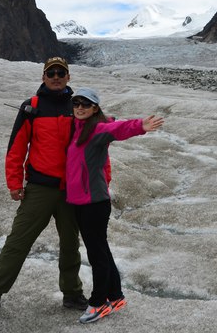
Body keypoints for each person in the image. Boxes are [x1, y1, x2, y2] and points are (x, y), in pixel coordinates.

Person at [0, 57, 87, 316]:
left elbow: (96, 143)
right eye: (51, 73)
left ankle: (72, 293)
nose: (56, 76)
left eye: (61, 72)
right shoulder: (32, 107)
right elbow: (16, 147)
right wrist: (14, 183)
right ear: (43, 77)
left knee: (70, 245)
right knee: (18, 242)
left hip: (70, 190)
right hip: (39, 188)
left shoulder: (79, 107)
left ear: (68, 77)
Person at [64, 87, 164, 324]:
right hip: (81, 201)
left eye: (85, 104)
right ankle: (116, 295)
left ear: (95, 108)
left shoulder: (97, 130)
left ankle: (99, 302)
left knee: (96, 254)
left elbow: (117, 129)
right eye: (76, 103)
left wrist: (139, 126)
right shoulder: (76, 128)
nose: (80, 107)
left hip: (94, 203)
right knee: (101, 250)